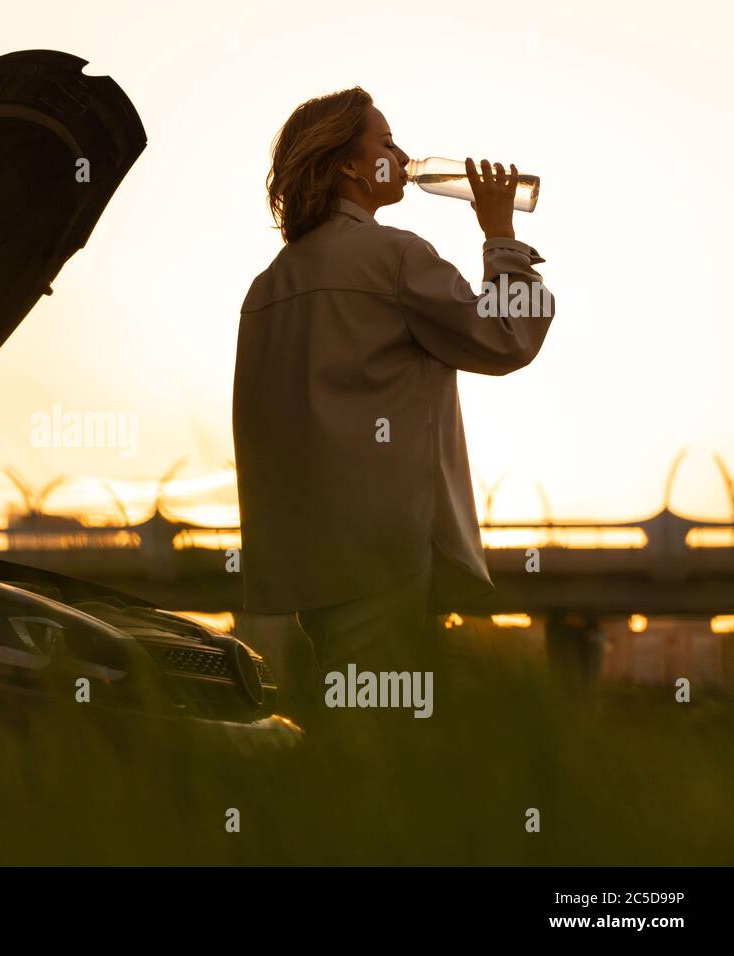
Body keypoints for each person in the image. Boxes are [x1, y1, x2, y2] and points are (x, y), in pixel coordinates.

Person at [231, 87, 554, 732]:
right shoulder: (394, 255)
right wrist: (501, 239)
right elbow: (509, 334)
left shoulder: (266, 288)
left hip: (304, 558)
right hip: (386, 548)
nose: (402, 155)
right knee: (383, 743)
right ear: (350, 166)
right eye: (385, 142)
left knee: (343, 720)